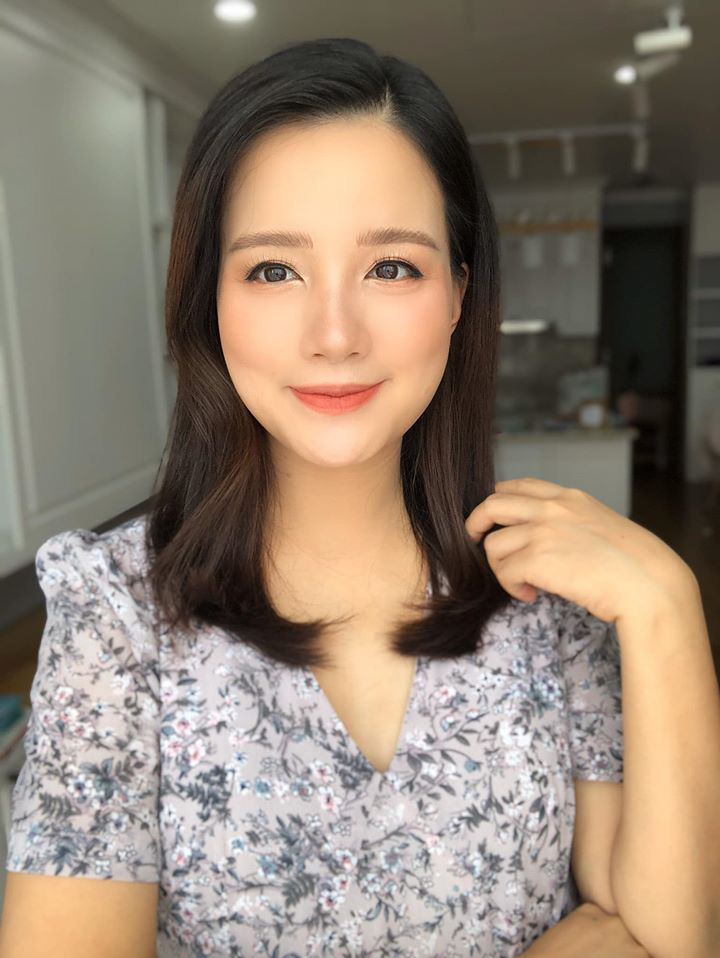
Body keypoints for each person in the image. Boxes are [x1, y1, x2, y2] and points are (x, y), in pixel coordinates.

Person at [0, 37, 632, 958]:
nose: (334, 335)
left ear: (460, 292)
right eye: (272, 269)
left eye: (391, 267)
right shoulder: (117, 616)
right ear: (208, 298)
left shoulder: (547, 595)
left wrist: (667, 602)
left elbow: (654, 926)